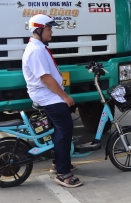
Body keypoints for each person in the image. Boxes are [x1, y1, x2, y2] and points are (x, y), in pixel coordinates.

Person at [22, 14, 82, 188]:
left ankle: (58, 163)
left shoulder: (39, 47)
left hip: (47, 94)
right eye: (49, 29)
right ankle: (63, 173)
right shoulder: (37, 50)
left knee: (60, 130)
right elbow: (46, 78)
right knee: (65, 130)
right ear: (38, 30)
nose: (51, 32)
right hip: (46, 95)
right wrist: (65, 97)